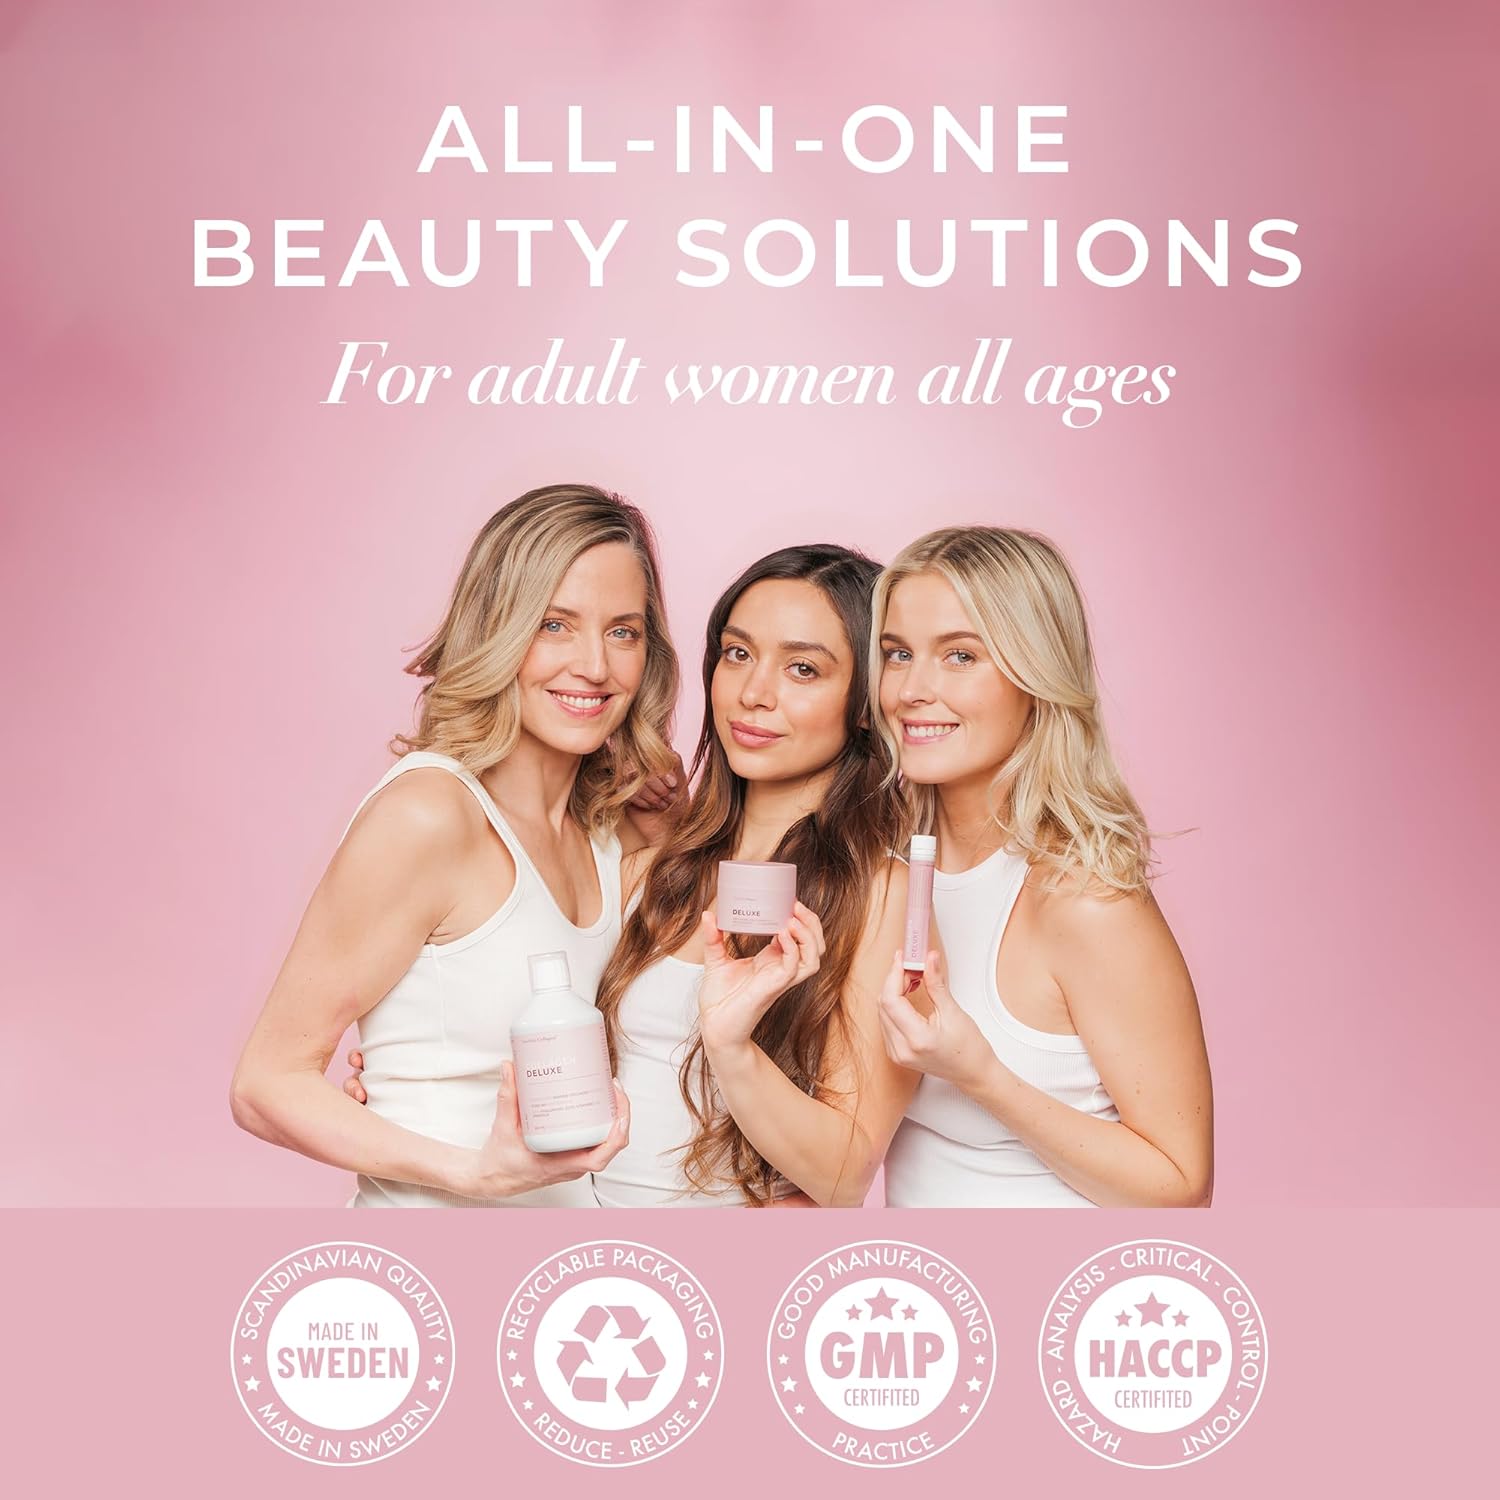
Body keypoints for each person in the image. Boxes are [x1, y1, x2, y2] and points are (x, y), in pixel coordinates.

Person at [230, 484, 678, 1205]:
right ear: (496, 628)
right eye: (555, 625)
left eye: (622, 632)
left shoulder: (611, 833)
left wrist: (669, 817)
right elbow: (264, 1085)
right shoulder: (431, 815)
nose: (594, 666)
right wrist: (475, 1173)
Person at [872, 527, 1213, 1208]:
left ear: (1036, 675)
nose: (913, 689)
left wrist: (980, 1075)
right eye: (898, 653)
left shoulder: (1083, 898)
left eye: (961, 655)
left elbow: (1180, 1186)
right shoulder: (887, 864)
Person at [592, 545, 918, 1206]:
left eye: (803, 668)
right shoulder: (653, 858)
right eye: (738, 653)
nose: (753, 693)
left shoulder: (879, 893)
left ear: (865, 703)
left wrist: (732, 1047)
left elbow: (844, 1172)